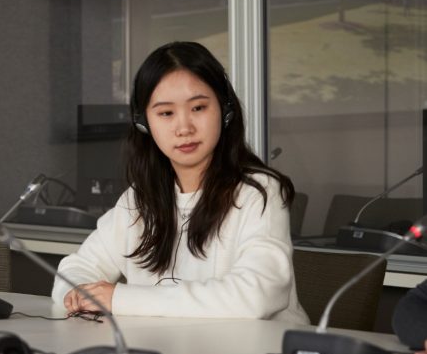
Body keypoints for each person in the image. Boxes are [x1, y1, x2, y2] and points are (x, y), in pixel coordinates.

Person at [52, 41, 309, 322]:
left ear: (225, 111)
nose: (184, 127)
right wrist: (78, 293)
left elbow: (257, 297)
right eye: (166, 113)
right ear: (143, 124)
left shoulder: (258, 193)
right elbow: (78, 267)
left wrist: (119, 298)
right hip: (170, 353)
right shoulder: (139, 200)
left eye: (198, 108)